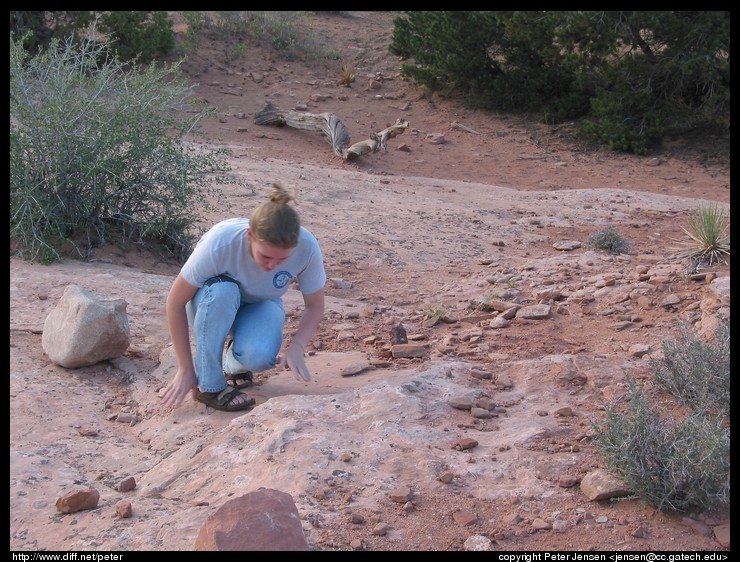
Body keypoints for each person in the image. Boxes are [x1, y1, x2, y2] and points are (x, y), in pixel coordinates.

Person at [160, 183, 327, 412]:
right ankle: (210, 386)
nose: (271, 266)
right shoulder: (221, 241)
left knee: (260, 357)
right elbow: (175, 302)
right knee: (224, 291)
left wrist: (297, 346)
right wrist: (185, 369)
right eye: (266, 256)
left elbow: (315, 305)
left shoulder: (307, 247)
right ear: (250, 235)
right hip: (211, 303)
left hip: (260, 303)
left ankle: (233, 364)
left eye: (281, 260)